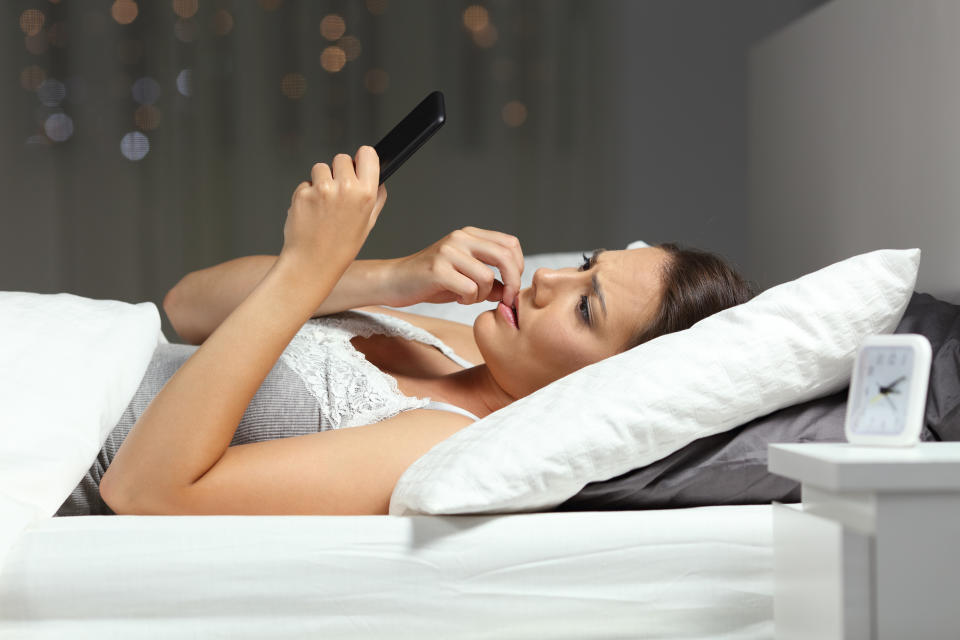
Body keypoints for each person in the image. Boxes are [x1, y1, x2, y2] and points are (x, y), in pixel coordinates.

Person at [58, 146, 755, 518]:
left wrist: (309, 270)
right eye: (582, 267)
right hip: (70, 350)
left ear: (610, 384)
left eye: (585, 308)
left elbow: (145, 491)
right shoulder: (447, 341)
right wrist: (393, 274)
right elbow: (189, 306)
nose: (549, 282)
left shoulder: (439, 439)